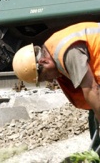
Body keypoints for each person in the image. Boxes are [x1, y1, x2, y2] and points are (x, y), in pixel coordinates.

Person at [13, 22, 100, 150]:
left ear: (43, 62)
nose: (51, 79)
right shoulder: (53, 47)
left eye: (45, 77)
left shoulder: (67, 51)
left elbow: (91, 89)